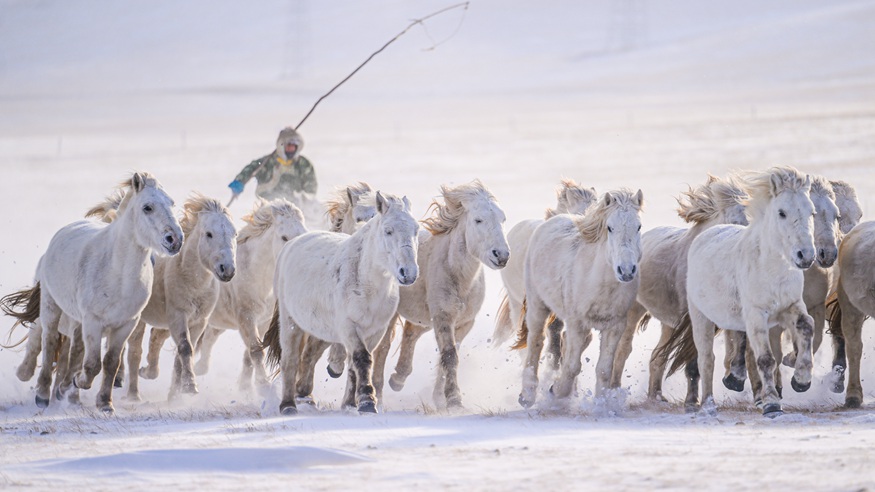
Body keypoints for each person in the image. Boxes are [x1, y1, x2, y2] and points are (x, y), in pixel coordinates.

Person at [228, 126, 317, 202]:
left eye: (293, 147)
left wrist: (306, 199)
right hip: (267, 207)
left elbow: (311, 187)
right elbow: (250, 169)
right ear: (281, 145)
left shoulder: (304, 165)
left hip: (296, 208)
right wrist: (239, 181)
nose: (291, 149)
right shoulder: (266, 162)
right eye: (288, 146)